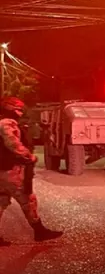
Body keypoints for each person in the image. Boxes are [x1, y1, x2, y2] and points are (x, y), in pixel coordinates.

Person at [0, 96, 62, 244]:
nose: (20, 113)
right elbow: (12, 144)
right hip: (11, 170)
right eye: (18, 110)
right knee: (28, 200)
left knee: (1, 200)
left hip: (4, 169)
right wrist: (29, 156)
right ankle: (39, 231)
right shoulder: (6, 124)